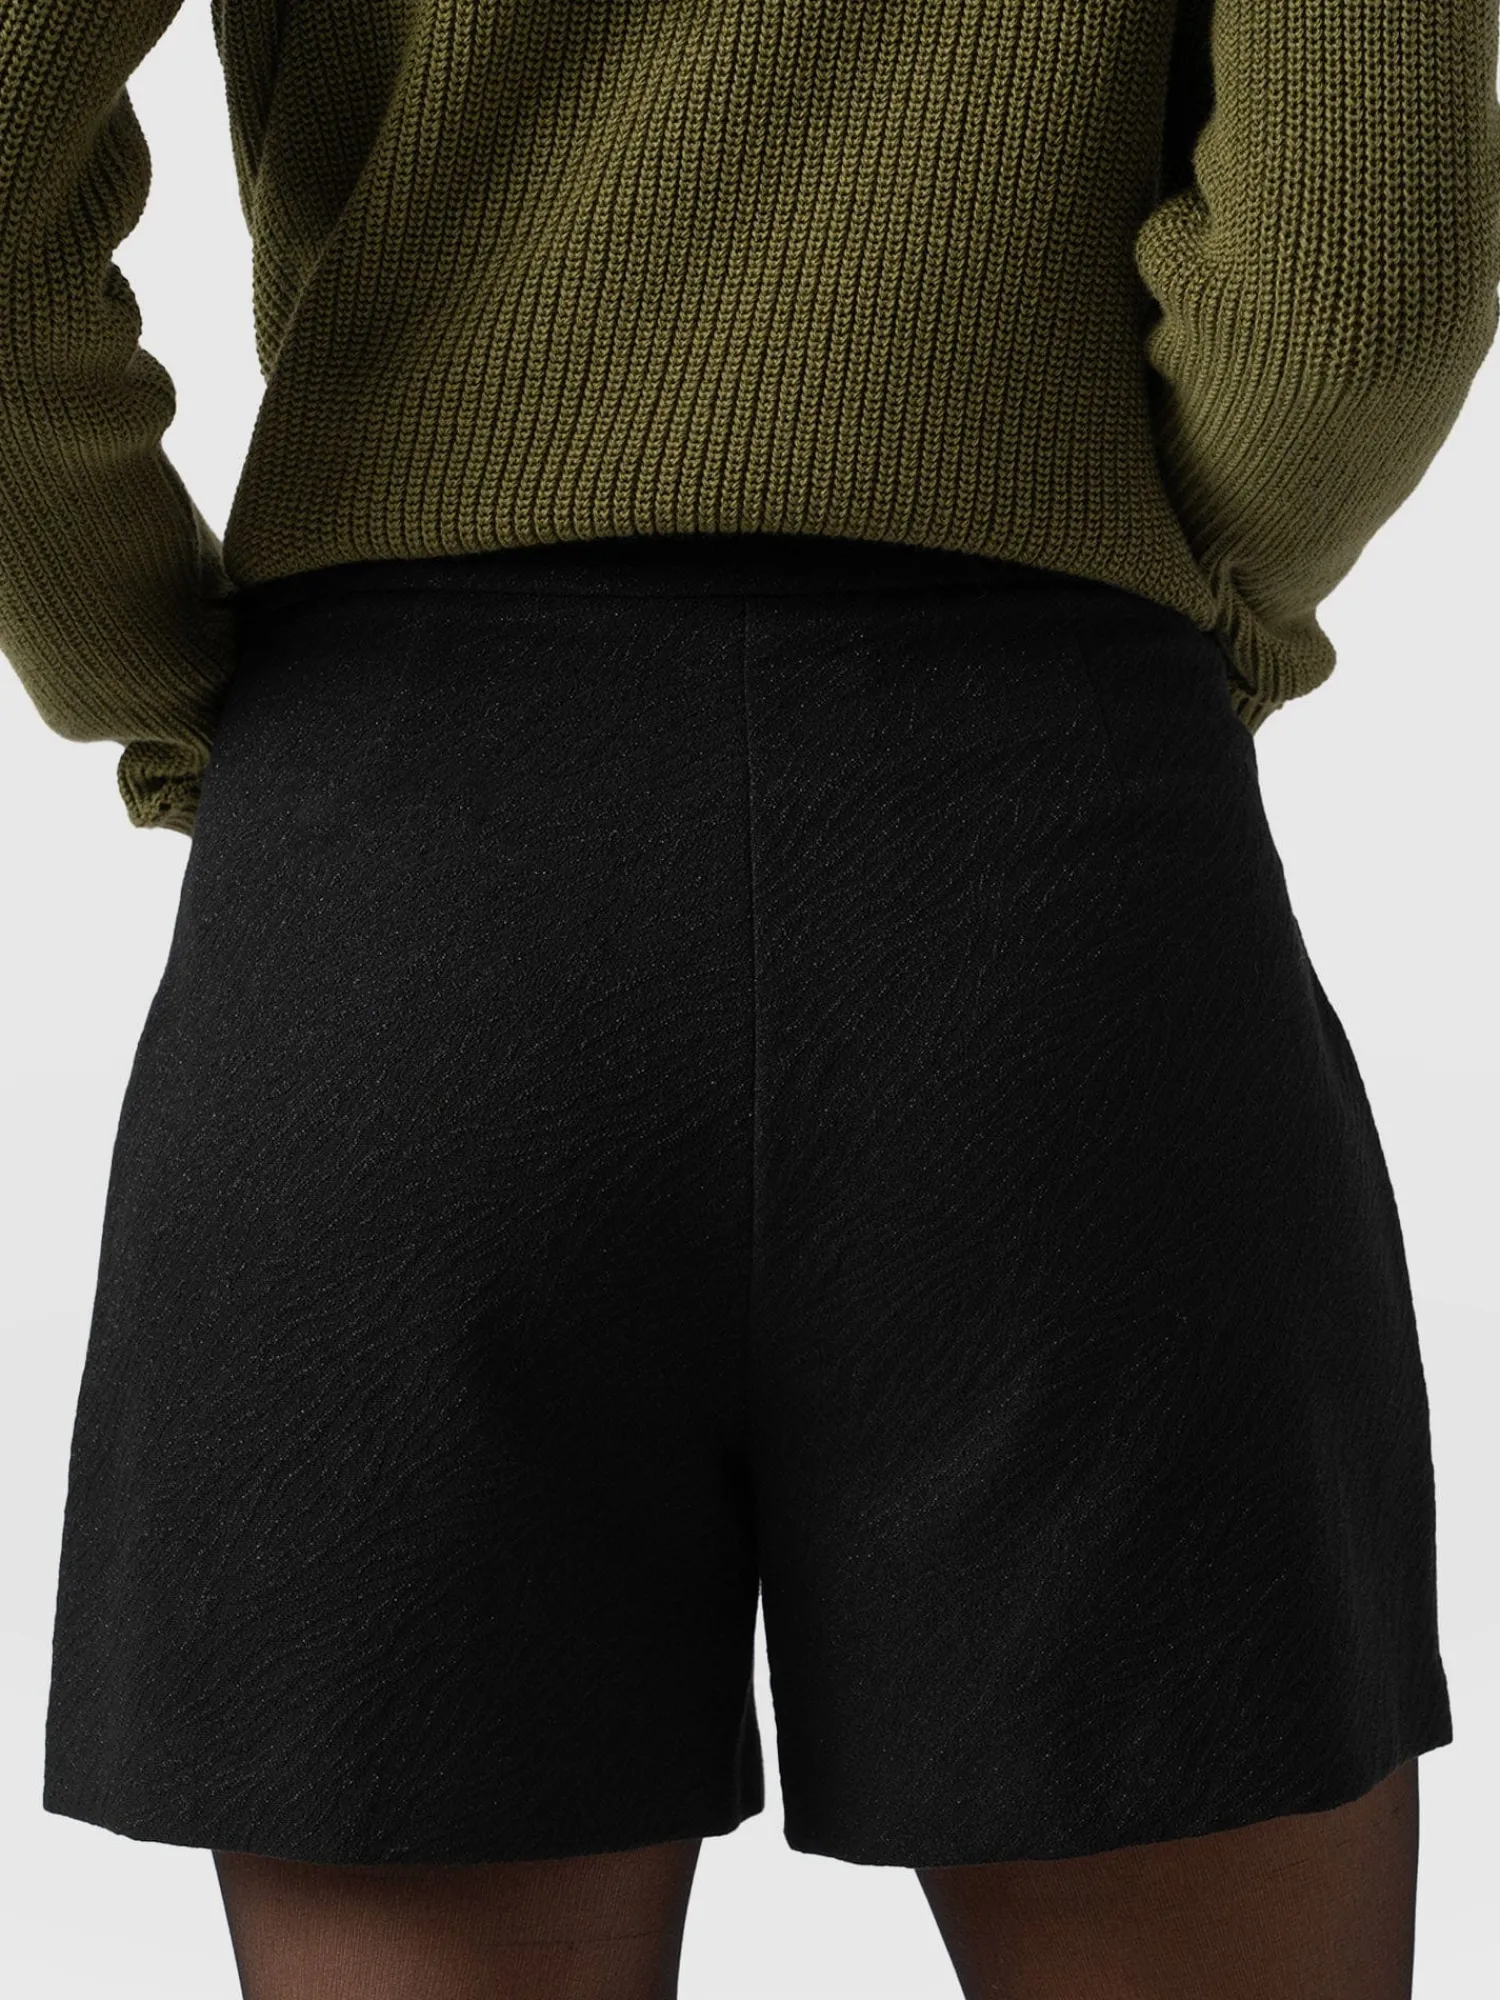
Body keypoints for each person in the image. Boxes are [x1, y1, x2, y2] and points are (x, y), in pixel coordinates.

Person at [3, 2, 1495, 1995]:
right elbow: (1361, 273)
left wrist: (154, 669)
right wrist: (1155, 588)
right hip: (1049, 893)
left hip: (400, 892)